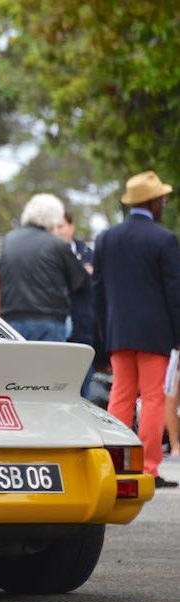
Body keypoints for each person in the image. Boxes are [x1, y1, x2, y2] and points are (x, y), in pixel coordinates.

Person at [93, 170, 180, 487]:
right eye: (163, 199)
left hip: (119, 332)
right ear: (154, 202)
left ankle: (116, 464)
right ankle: (148, 468)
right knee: (154, 398)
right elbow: (174, 294)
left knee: (121, 396)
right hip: (155, 334)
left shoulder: (106, 238)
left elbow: (98, 292)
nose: (164, 203)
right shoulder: (164, 239)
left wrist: (105, 334)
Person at [0, 193, 87, 341]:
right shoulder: (57, 244)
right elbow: (80, 282)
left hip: (11, 319)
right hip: (49, 320)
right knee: (51, 364)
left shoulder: (9, 240)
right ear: (53, 217)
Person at [53, 211, 96, 397]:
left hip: (82, 324)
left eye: (60, 226)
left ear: (71, 227)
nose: (57, 231)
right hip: (57, 324)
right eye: (53, 227)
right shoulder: (48, 254)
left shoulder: (88, 252)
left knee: (84, 379)